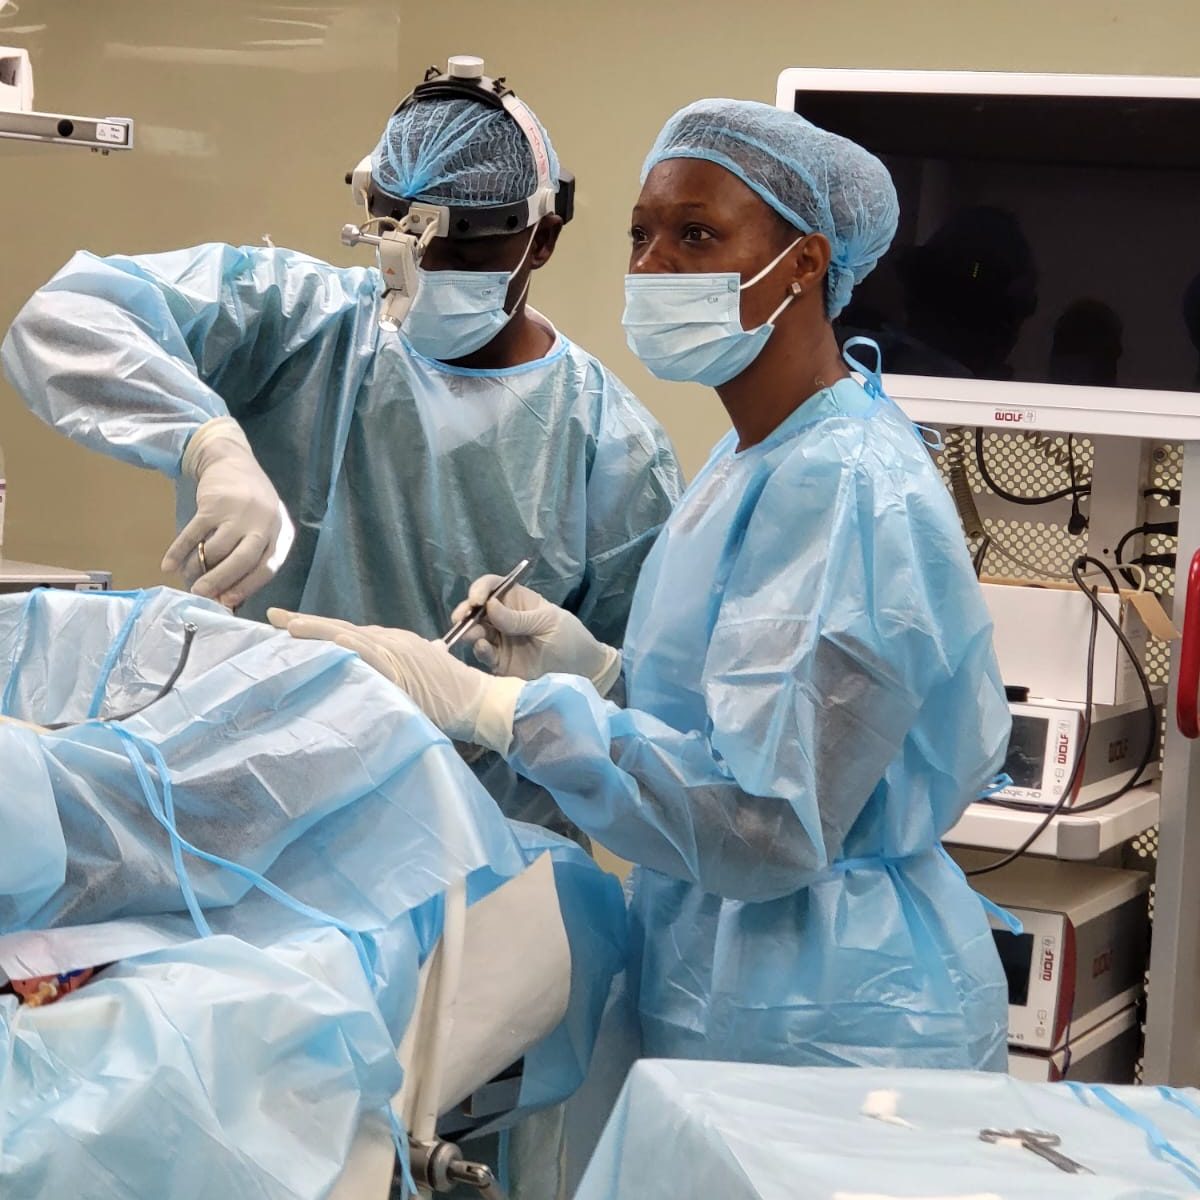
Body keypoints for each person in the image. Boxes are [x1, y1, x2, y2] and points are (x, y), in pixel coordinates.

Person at [270, 98, 1012, 1074]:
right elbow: (732, 724)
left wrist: (494, 707)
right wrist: (595, 671)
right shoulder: (753, 460)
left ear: (805, 264)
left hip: (835, 1017)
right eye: (640, 235)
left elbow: (770, 828)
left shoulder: (847, 489)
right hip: (726, 978)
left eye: (696, 235)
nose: (653, 267)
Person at [1, 68, 682, 837]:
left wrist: (569, 683)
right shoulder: (298, 319)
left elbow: (653, 739)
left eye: (462, 250)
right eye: (397, 237)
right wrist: (207, 442)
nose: (423, 274)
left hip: (473, 855)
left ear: (543, 239)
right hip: (237, 811)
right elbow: (65, 317)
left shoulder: (610, 445)